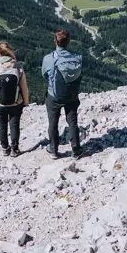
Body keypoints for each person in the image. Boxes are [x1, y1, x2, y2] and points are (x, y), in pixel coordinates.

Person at [42, 28, 84, 159]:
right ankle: (76, 150)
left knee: (53, 122)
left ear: (55, 41)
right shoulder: (78, 57)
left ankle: (53, 150)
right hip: (72, 95)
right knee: (72, 121)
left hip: (54, 96)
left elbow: (44, 75)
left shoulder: (49, 58)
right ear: (69, 41)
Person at [0, 41, 29, 157]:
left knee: (2, 124)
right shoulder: (18, 68)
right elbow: (24, 87)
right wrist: (25, 101)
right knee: (14, 125)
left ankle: (5, 148)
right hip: (16, 103)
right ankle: (15, 149)